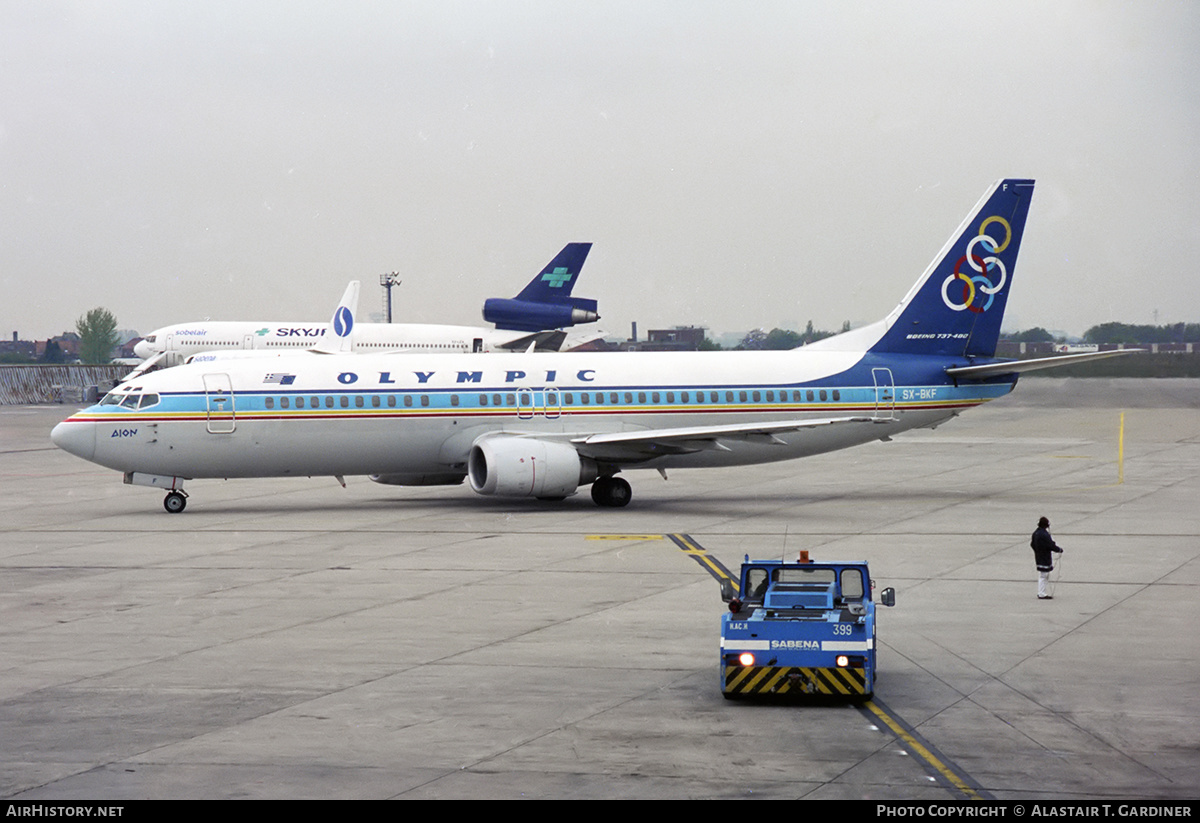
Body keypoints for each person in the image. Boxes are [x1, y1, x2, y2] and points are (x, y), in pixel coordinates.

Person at [1031, 516, 1063, 599]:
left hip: (1039, 556)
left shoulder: (1036, 533)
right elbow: (1050, 545)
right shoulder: (1044, 534)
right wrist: (1058, 549)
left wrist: (1037, 551)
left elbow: (1032, 544)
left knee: (1043, 575)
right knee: (1044, 575)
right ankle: (1041, 593)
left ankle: (1042, 592)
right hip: (1044, 557)